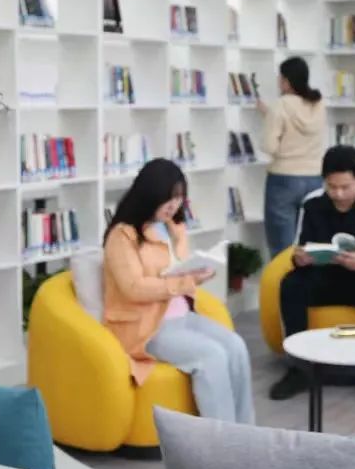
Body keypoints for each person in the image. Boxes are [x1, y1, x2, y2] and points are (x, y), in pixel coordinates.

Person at [102, 158, 254, 424]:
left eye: (179, 198)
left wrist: (198, 272)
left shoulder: (171, 227)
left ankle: (246, 432)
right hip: (147, 327)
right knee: (212, 356)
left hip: (182, 317)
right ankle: (224, 439)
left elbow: (179, 270)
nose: (173, 205)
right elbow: (133, 288)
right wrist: (186, 281)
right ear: (150, 195)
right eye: (168, 198)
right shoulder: (122, 236)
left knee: (236, 346)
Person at [269, 146, 355, 410]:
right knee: (291, 284)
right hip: (325, 279)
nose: (339, 194)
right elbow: (297, 251)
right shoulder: (312, 203)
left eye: (345, 187)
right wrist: (301, 258)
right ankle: (299, 368)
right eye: (332, 187)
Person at [257, 57, 327, 260]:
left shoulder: (281, 105)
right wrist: (269, 114)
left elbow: (269, 146)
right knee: (310, 244)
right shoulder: (318, 104)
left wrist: (269, 119)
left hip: (283, 178)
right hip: (314, 177)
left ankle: (284, 281)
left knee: (282, 248)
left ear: (286, 81)